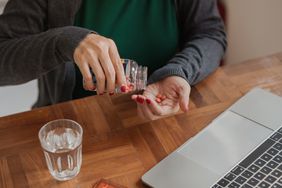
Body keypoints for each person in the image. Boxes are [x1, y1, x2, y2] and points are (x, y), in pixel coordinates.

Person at [0, 0, 226, 120]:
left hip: (162, 122)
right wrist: (63, 41)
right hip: (75, 129)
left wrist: (179, 71)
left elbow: (210, 33)